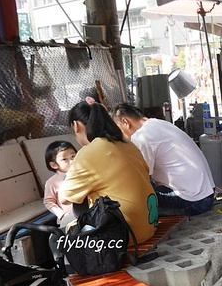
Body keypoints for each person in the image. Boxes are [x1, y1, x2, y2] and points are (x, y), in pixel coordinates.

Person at [59, 97, 158, 244]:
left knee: (60, 236)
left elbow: (64, 197)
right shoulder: (127, 143)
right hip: (149, 225)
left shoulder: (88, 153)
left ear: (76, 126)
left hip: (127, 234)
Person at [110, 103, 215, 216]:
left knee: (133, 205)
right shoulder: (159, 123)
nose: (122, 136)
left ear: (125, 122)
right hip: (206, 193)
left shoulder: (141, 136)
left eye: (119, 130)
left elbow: (141, 179)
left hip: (193, 200)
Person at [42, 140, 77, 226]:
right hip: (69, 220)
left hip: (88, 214)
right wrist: (62, 214)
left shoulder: (81, 173)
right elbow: (48, 201)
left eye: (73, 156)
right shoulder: (52, 182)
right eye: (65, 159)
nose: (72, 161)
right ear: (54, 165)